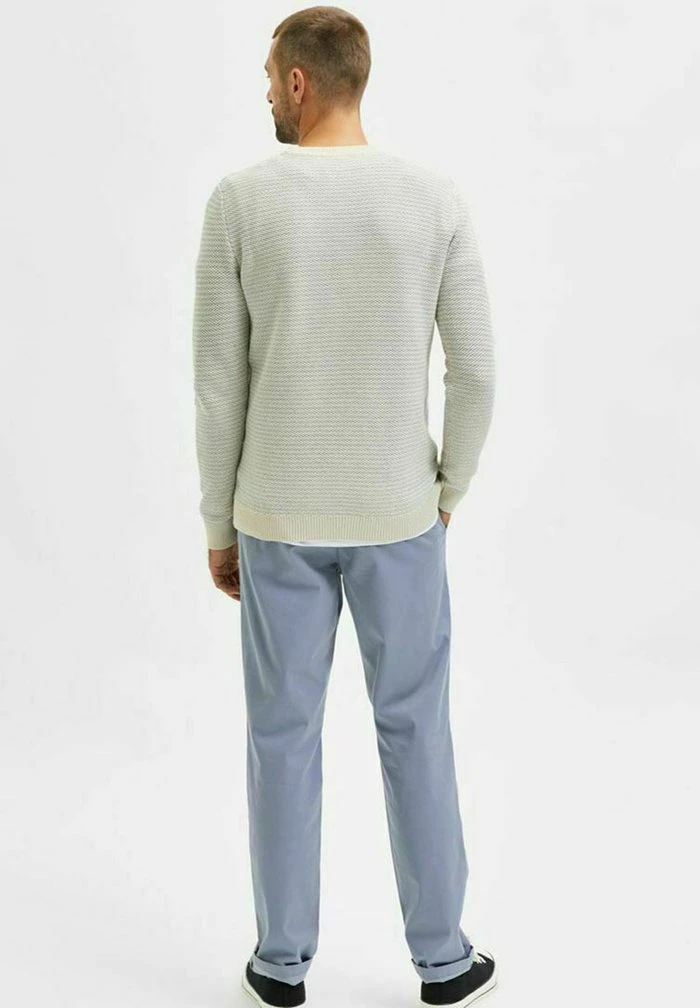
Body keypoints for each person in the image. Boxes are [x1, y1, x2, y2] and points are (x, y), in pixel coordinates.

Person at [192, 7, 498, 1007]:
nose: (265, 90)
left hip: (275, 516)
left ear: (297, 82)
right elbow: (476, 372)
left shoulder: (241, 201)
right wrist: (448, 489)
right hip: (399, 516)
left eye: (268, 75)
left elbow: (217, 386)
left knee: (281, 738)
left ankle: (281, 963)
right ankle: (442, 960)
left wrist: (217, 523)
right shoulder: (432, 199)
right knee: (416, 730)